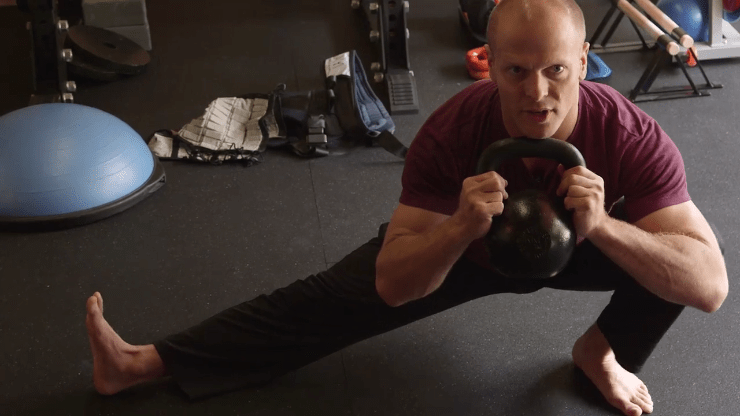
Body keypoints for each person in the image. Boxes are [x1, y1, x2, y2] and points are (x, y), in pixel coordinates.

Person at [85, 0, 728, 415]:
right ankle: (142, 363)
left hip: (584, 242)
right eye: (516, 71)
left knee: (663, 260)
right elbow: (393, 286)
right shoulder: (451, 132)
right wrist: (456, 230)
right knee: (328, 297)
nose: (537, 94)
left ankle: (602, 354)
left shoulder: (630, 134)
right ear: (490, 66)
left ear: (584, 62)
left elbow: (709, 285)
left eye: (557, 71)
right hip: (473, 244)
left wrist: (607, 228)